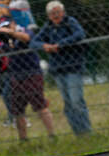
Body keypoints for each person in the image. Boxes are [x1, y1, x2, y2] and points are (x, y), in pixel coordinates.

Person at [31, 1, 91, 135]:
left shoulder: (70, 22)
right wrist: (44, 46)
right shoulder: (48, 26)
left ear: (63, 12)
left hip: (73, 67)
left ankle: (86, 132)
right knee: (68, 103)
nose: (56, 15)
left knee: (76, 101)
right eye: (52, 13)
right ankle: (77, 132)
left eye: (58, 12)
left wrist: (60, 44)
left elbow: (80, 34)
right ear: (49, 16)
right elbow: (33, 42)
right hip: (58, 69)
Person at [0, 15, 55, 141]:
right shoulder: (5, 38)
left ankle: (52, 135)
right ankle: (23, 139)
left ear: (13, 23)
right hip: (16, 76)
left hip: (32, 73)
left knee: (40, 106)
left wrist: (12, 33)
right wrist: (0, 37)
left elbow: (27, 38)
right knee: (17, 111)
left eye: (8, 26)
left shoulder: (25, 30)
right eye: (4, 27)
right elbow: (0, 50)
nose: (6, 29)